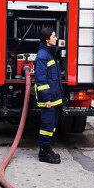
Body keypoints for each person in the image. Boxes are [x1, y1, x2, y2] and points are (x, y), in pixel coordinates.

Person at [35, 28, 63, 164]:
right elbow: (41, 80)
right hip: (49, 100)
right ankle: (43, 153)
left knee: (52, 125)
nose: (56, 38)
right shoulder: (42, 56)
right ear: (47, 40)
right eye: (53, 36)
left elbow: (55, 78)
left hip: (55, 98)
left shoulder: (51, 54)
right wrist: (46, 98)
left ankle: (47, 148)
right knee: (47, 126)